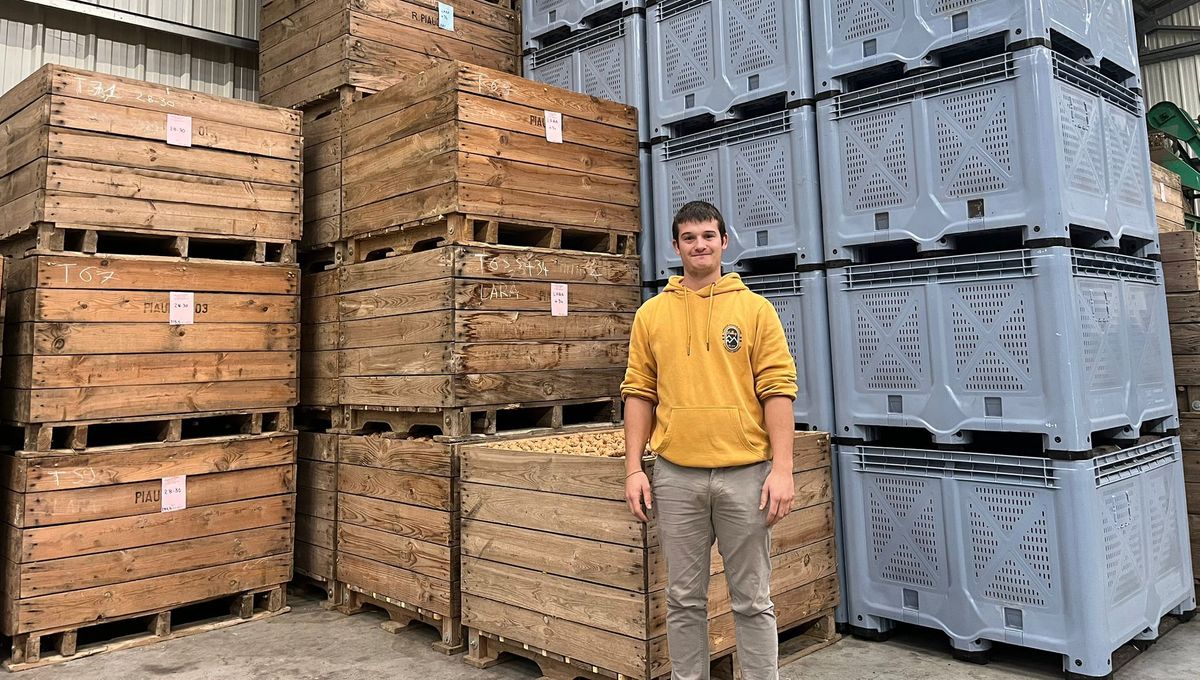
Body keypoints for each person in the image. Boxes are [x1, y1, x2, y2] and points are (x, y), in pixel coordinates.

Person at [621, 201, 798, 680]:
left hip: (746, 475)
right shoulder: (651, 315)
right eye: (689, 237)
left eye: (708, 236)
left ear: (724, 242)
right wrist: (634, 468)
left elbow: (778, 389)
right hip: (676, 476)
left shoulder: (755, 310)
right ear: (675, 247)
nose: (699, 245)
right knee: (683, 599)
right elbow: (638, 391)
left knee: (753, 600)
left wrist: (782, 470)